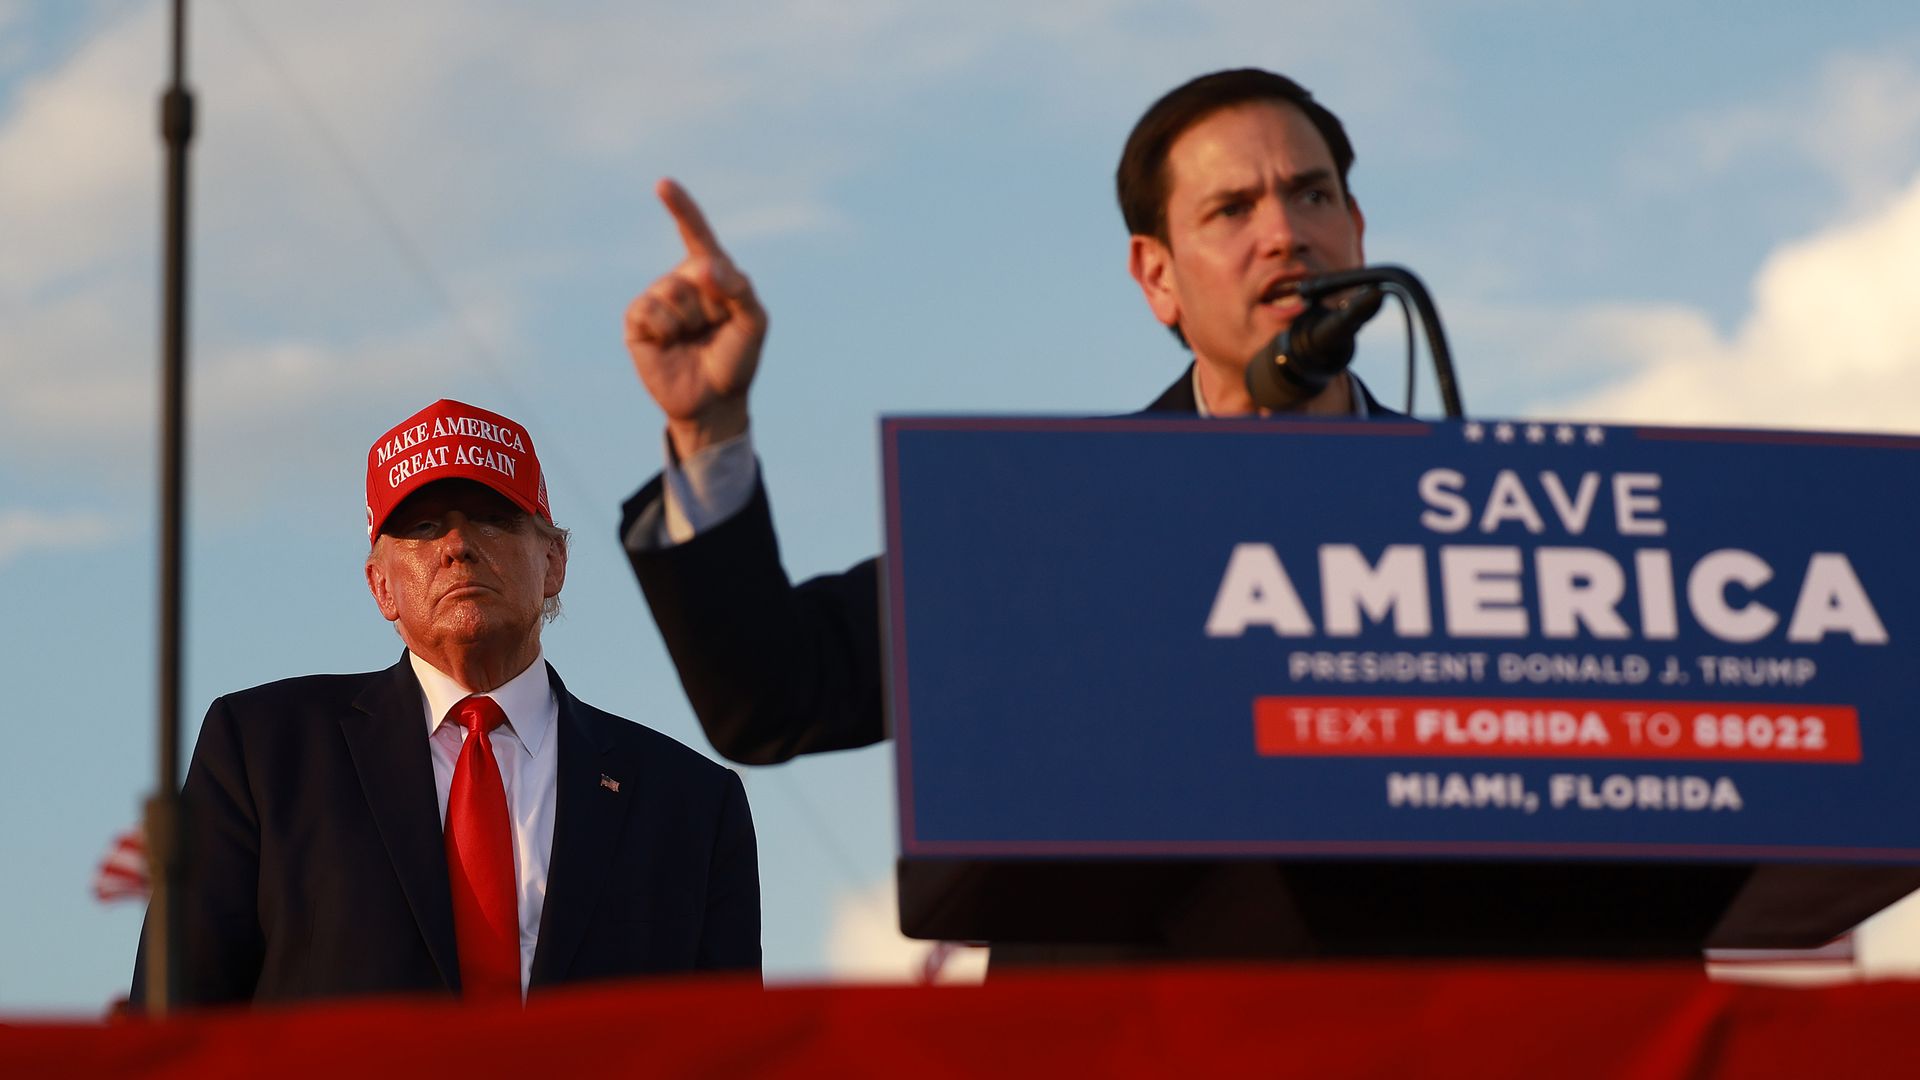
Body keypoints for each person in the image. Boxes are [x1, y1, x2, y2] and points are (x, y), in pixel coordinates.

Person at [620, 68, 1390, 766]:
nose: (1286, 234)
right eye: (1232, 209)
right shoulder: (1060, 516)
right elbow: (779, 695)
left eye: (1312, 195)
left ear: (1356, 228)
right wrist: (711, 427)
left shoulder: (1483, 506)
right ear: (1158, 276)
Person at [133, 399, 759, 1007]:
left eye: (490, 517)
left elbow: (738, 1053)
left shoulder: (690, 803)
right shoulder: (265, 753)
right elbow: (175, 1025)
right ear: (381, 585)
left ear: (554, 561)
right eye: (423, 527)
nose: (457, 545)